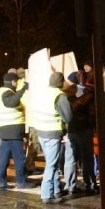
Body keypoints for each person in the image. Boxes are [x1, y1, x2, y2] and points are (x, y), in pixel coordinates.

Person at [32, 72, 72, 202]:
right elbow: (68, 117)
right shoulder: (59, 96)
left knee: (53, 163)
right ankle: (46, 195)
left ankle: (55, 191)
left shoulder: (43, 93)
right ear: (60, 82)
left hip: (41, 132)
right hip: (53, 133)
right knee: (51, 164)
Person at [0, 72, 30, 191]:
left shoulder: (2, 92)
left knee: (4, 158)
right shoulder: (6, 93)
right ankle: (21, 182)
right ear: (13, 82)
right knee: (19, 158)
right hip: (12, 131)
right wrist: (23, 90)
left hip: (7, 130)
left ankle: (0, 182)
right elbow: (11, 103)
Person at [65, 71, 98, 194]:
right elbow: (92, 112)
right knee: (87, 158)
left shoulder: (66, 94)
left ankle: (70, 185)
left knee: (71, 158)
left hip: (71, 129)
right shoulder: (87, 93)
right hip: (84, 129)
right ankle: (89, 184)